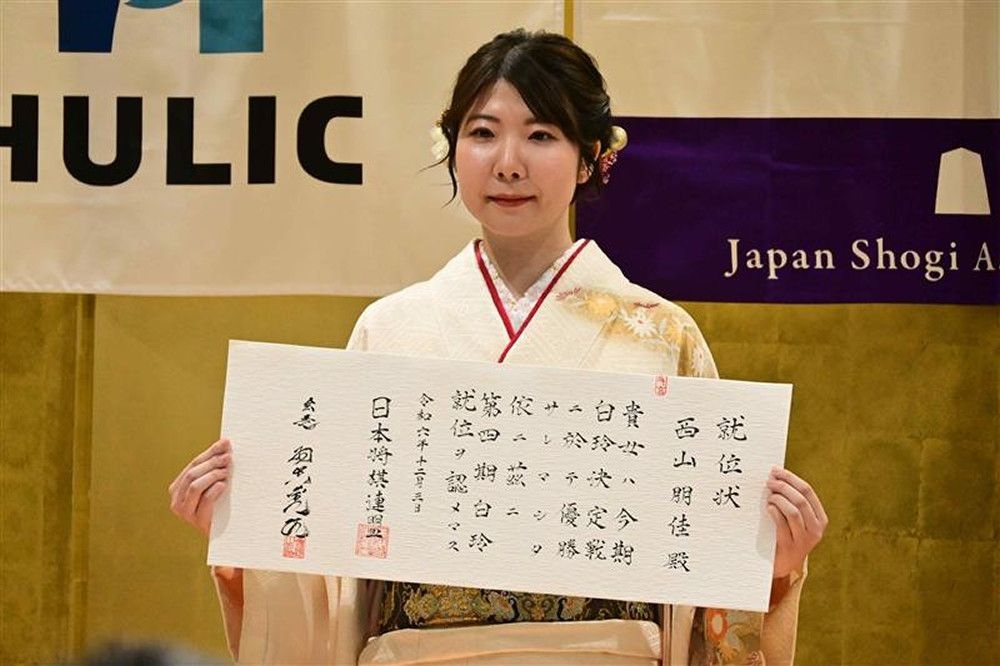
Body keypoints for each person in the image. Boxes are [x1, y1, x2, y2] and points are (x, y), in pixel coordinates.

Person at [169, 29, 827, 665]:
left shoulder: (660, 335)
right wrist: (246, 533)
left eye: (541, 135)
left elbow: (704, 574)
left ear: (592, 155)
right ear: (453, 148)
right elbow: (338, 581)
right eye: (482, 133)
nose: (508, 162)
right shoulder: (389, 330)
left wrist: (769, 566)